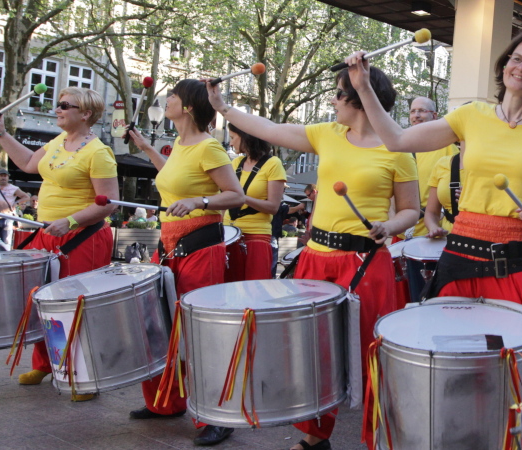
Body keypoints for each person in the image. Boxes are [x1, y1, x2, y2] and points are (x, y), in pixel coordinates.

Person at [206, 65, 419, 450]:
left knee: (371, 351)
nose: (332, 101)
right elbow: (270, 128)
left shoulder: (397, 149)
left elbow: (411, 210)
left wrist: (389, 226)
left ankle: (380, 438)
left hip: (365, 261)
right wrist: (223, 107)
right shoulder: (327, 134)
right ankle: (315, 436)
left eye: (338, 94)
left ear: (358, 97)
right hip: (316, 258)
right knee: (312, 351)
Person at [345, 30, 522, 352]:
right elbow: (397, 140)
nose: (521, 68)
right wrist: (364, 87)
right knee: (449, 353)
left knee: (508, 358)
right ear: (504, 65)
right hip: (461, 250)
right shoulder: (471, 115)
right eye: (516, 59)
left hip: (513, 258)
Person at [125, 79, 244, 447]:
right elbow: (175, 178)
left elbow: (235, 195)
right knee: (160, 324)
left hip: (199, 245)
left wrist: (200, 202)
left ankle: (218, 415)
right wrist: (147, 149)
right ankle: (166, 402)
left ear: (189, 106)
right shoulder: (179, 144)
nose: (167, 99)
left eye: (173, 96)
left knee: (198, 331)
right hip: (169, 243)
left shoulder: (210, 147)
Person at [0, 87, 119, 401]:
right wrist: (1, 133)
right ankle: (46, 363)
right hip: (47, 233)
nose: (57, 109)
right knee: (42, 301)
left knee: (76, 306)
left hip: (82, 237)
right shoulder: (57, 142)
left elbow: (110, 202)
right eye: (58, 104)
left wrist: (70, 221)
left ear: (85, 113)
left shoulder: (99, 152)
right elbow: (28, 163)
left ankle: (83, 375)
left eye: (64, 105)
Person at [223, 123, 286, 282]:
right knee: (226, 289)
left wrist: (242, 198)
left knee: (254, 290)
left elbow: (273, 207)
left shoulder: (273, 163)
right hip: (229, 235)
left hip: (256, 236)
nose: (230, 142)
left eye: (233, 137)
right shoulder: (236, 163)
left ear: (245, 137)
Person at [395, 97, 458, 240]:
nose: (416, 115)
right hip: (401, 230)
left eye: (422, 111)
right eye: (412, 111)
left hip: (433, 232)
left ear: (434, 116)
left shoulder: (447, 147)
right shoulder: (400, 147)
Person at [424, 152, 464, 238]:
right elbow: (431, 213)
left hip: (482, 238)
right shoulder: (443, 164)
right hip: (448, 239)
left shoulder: (493, 165)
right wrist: (433, 228)